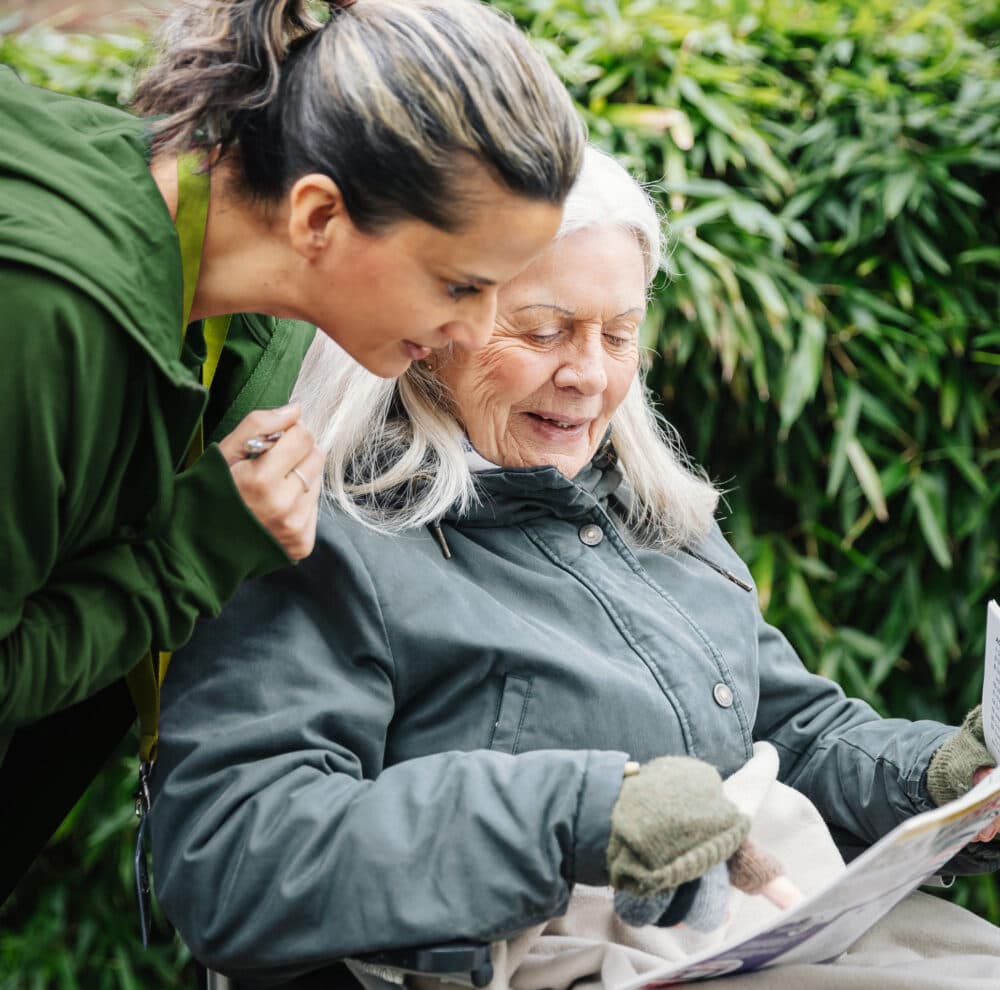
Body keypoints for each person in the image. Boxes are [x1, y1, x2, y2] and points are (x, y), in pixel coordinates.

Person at [149, 148, 1000, 988]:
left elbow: (787, 731)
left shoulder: (645, 508)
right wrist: (579, 815)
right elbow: (232, 853)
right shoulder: (324, 537)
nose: (591, 376)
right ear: (430, 324)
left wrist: (944, 780)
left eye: (620, 334)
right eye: (543, 330)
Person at [0, 0, 583, 901]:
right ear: (318, 216)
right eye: (459, 285)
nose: (475, 332)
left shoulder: (226, 276)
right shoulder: (47, 322)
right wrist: (192, 549)